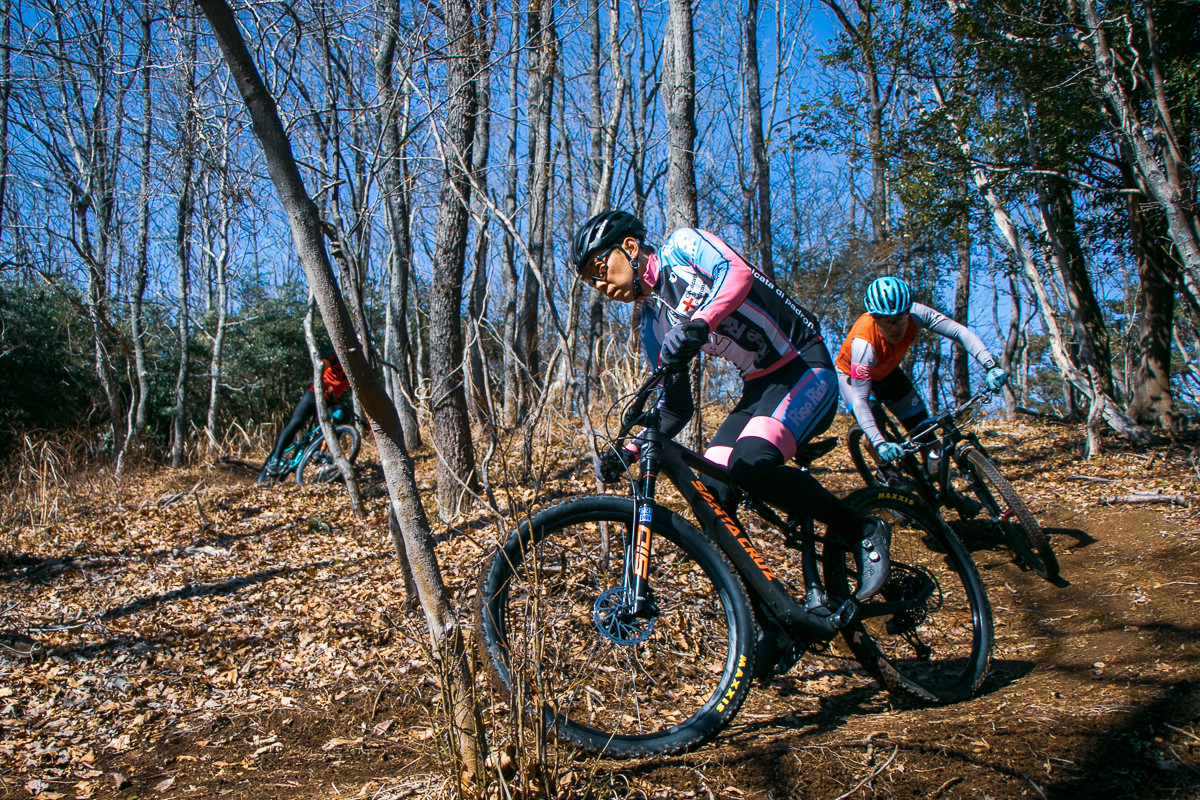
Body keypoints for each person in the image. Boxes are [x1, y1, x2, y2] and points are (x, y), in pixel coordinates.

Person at [571, 210, 891, 602]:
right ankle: (769, 614)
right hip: (758, 389)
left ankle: (862, 530)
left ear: (631, 247)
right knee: (711, 492)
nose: (600, 284)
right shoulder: (653, 325)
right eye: (591, 280)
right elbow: (674, 407)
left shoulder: (683, 247)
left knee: (749, 464)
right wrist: (629, 449)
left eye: (600, 267)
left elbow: (737, 273)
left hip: (803, 364)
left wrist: (700, 323)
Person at [835, 275, 1008, 468]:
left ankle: (939, 486)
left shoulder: (916, 314)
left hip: (888, 373)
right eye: (887, 321)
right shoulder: (864, 344)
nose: (896, 327)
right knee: (875, 432)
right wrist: (880, 442)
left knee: (925, 433)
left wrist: (990, 365)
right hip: (853, 378)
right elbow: (860, 400)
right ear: (875, 318)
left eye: (901, 318)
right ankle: (888, 473)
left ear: (908, 311)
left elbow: (960, 332)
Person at [259, 350, 351, 482]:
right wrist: (321, 378)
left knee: (341, 415)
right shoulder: (338, 355)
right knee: (296, 423)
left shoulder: (357, 370)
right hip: (314, 393)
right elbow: (324, 362)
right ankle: (275, 459)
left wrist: (365, 421)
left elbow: (362, 395)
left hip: (331, 401)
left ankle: (319, 449)